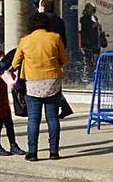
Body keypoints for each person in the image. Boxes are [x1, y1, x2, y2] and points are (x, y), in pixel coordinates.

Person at [12, 12, 70, 161]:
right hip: (52, 83)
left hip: (32, 84)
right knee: (52, 118)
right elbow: (64, 59)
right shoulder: (55, 38)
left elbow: (14, 63)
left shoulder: (25, 41)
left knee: (33, 119)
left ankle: (33, 152)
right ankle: (54, 152)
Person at [78, 3, 102, 82]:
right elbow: (88, 28)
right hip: (88, 43)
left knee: (95, 61)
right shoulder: (84, 19)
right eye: (91, 8)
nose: (92, 10)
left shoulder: (94, 17)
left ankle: (93, 77)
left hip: (95, 43)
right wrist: (95, 25)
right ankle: (87, 78)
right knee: (88, 61)